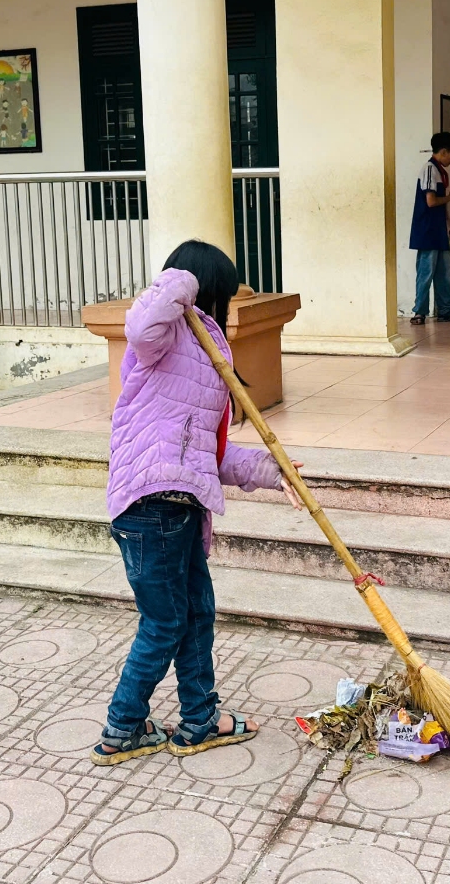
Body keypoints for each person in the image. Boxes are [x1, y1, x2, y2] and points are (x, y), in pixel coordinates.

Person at [94, 241, 304, 765]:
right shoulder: (164, 337)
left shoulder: (207, 351)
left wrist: (270, 470)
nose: (226, 310)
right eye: (224, 297)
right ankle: (121, 727)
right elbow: (141, 327)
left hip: (179, 506)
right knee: (165, 622)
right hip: (151, 506)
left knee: (195, 614)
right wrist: (180, 277)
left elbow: (206, 452)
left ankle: (199, 718)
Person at [409, 131, 450, 325]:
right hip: (427, 231)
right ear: (443, 152)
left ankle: (446, 310)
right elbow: (431, 201)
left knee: (444, 273)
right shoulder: (429, 169)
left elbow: (440, 205)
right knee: (425, 273)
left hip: (438, 231)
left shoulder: (441, 172)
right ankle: (419, 312)